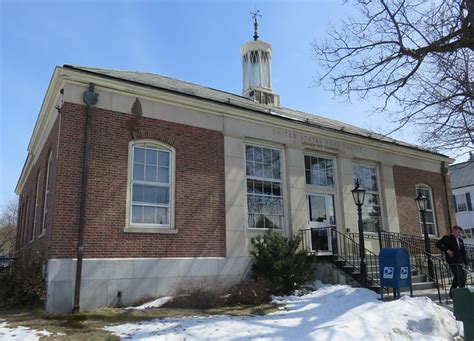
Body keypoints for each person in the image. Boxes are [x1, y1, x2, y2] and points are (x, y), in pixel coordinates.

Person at [435, 225, 469, 299]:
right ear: (453, 231)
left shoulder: (460, 240)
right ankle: (453, 293)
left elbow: (463, 252)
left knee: (463, 278)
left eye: (460, 233)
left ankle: (458, 293)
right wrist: (447, 250)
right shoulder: (447, 238)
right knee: (458, 277)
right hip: (452, 261)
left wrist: (466, 263)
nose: (459, 234)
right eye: (458, 232)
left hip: (460, 262)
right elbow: (437, 244)